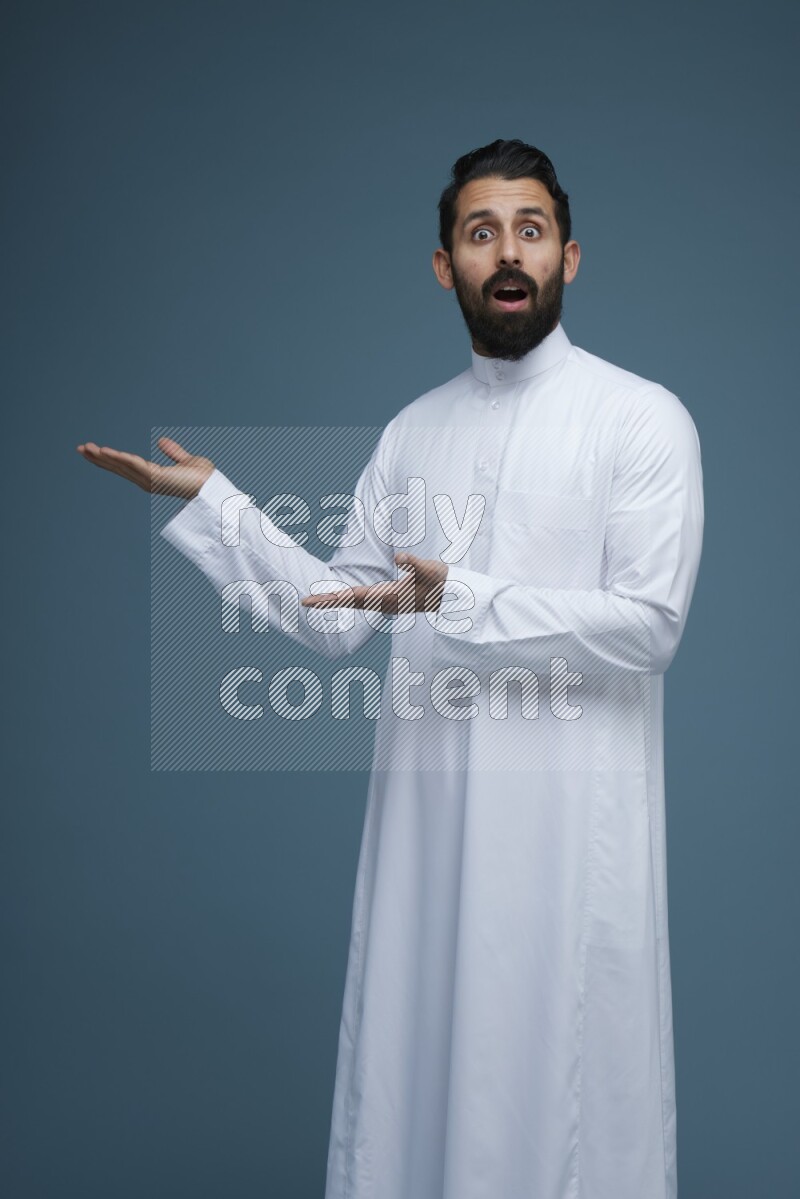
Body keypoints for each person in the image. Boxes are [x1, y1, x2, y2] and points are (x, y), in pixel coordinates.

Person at [77, 138, 704, 1199]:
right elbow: (336, 616)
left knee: (565, 1104)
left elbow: (648, 627)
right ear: (445, 265)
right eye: (481, 233)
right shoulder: (413, 432)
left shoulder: (639, 418)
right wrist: (216, 505)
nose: (508, 253)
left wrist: (457, 596)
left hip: (568, 849)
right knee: (416, 1091)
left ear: (568, 256)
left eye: (530, 230)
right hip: (428, 840)